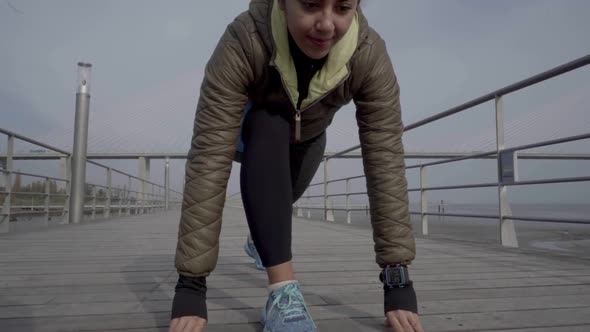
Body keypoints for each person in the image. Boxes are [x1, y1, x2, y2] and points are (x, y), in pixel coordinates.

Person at [169, 0, 423, 331]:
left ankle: (261, 236)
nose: (327, 24)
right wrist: (191, 285)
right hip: (258, 134)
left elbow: (385, 159)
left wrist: (397, 279)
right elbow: (209, 159)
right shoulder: (245, 39)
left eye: (343, 8)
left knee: (282, 200)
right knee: (269, 120)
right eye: (312, 4)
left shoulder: (368, 53)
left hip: (310, 139)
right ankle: (283, 291)